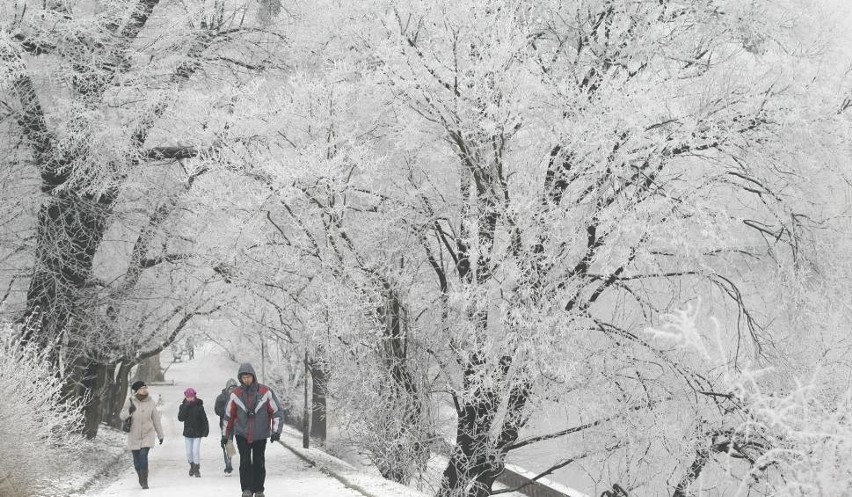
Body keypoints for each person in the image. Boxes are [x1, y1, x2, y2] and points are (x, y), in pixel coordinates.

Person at [221, 363, 284, 497]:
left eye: (248, 377)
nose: (246, 380)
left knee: (259, 461)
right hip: (242, 433)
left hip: (260, 434)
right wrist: (225, 435)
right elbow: (228, 416)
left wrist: (276, 431)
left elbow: (276, 412)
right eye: (243, 377)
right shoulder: (235, 394)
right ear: (240, 378)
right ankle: (246, 489)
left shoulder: (266, 392)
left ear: (253, 376)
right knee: (245, 461)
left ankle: (259, 489)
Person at [120, 381, 164, 490]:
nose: (144, 390)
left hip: (147, 434)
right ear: (136, 390)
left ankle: (145, 481)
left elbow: (156, 419)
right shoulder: (130, 401)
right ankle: (140, 475)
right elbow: (122, 416)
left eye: (145, 387)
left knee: (143, 456)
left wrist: (160, 435)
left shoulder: (151, 402)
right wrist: (129, 411)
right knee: (136, 461)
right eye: (142, 388)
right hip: (133, 435)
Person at [178, 387, 209, 477]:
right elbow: (180, 418)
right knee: (188, 452)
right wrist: (186, 407)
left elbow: (204, 419)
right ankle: (191, 465)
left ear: (194, 396)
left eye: (191, 396)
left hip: (197, 432)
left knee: (195, 450)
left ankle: (196, 469)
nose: (190, 398)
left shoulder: (199, 406)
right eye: (188, 397)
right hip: (188, 433)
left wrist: (206, 430)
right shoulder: (183, 406)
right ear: (185, 397)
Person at [215, 378, 239, 475]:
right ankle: (228, 464)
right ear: (227, 388)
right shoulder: (221, 398)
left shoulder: (240, 396)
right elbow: (217, 410)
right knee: (228, 443)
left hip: (239, 424)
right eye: (230, 388)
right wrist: (226, 413)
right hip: (226, 424)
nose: (232, 390)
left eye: (234, 388)